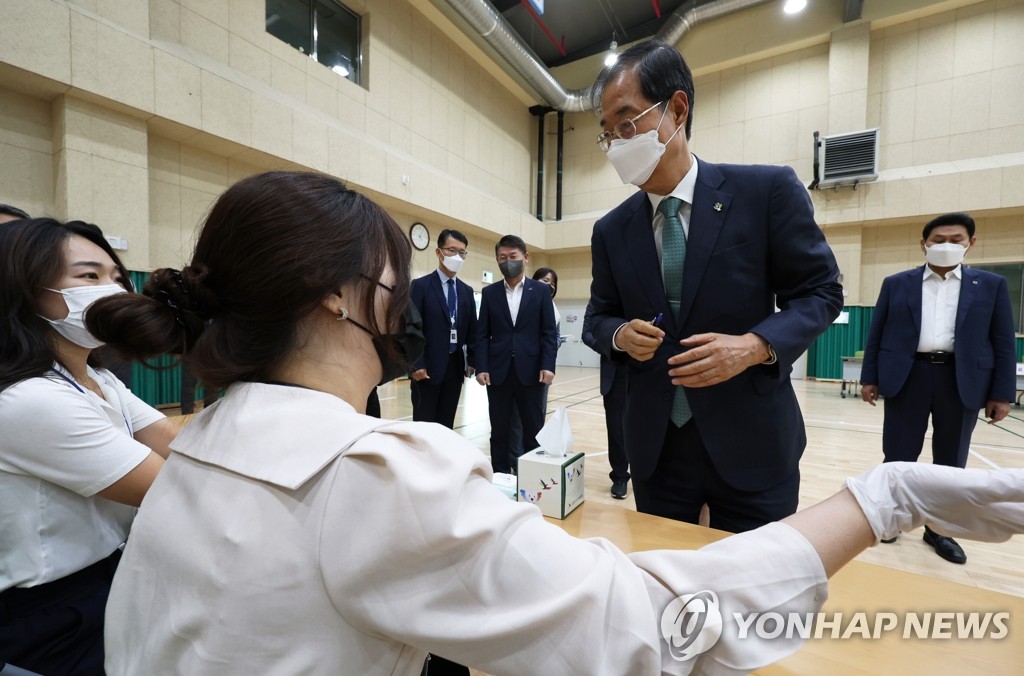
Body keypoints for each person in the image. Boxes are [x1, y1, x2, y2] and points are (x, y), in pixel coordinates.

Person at [87, 171, 1024, 675]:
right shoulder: (372, 473)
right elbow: (656, 630)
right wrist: (880, 496)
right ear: (340, 298)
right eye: (394, 270)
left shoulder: (197, 443)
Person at [587, 41, 843, 532]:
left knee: (756, 589)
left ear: (676, 110)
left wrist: (755, 345)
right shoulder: (610, 230)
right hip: (657, 449)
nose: (617, 143)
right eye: (607, 134)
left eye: (626, 123)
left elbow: (821, 292)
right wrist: (620, 335)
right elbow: (598, 317)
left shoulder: (765, 192)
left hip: (751, 440)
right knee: (668, 589)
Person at [0, 218, 176, 674]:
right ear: (23, 288)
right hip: (53, 612)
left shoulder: (96, 377)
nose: (113, 291)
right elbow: (174, 485)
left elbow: (175, 444)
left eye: (116, 277)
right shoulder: (30, 398)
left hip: (113, 573)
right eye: (89, 276)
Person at [860, 212, 1016, 564]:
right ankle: (893, 520)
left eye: (956, 240)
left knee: (951, 461)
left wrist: (1001, 393)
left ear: (970, 244)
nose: (946, 245)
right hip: (908, 376)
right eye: (938, 240)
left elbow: (1003, 342)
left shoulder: (991, 286)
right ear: (924, 244)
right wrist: (870, 377)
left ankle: (940, 529)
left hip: (962, 380)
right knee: (898, 455)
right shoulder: (896, 283)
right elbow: (877, 334)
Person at [475, 235, 558, 473]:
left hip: (531, 372)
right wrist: (481, 366)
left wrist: (548, 365)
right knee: (499, 430)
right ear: (497, 260)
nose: (508, 261)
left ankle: (533, 476)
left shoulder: (540, 291)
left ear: (525, 258)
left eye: (513, 256)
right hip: (498, 373)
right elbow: (482, 335)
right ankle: (500, 476)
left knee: (533, 430)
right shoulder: (490, 293)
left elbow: (549, 333)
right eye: (503, 257)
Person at [408, 229, 477, 429]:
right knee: (424, 428)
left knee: (445, 426)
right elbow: (410, 327)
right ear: (439, 252)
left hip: (454, 371)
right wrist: (415, 365)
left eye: (462, 252)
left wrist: (472, 361)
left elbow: (473, 329)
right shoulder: (420, 286)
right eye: (452, 250)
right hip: (426, 370)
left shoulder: (466, 291)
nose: (457, 256)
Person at [508, 267, 561, 457]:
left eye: (552, 283)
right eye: (545, 280)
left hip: (541, 372)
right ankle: (515, 458)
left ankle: (533, 457)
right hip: (519, 368)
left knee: (536, 417)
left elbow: (553, 338)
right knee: (515, 419)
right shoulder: (524, 303)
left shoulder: (554, 311)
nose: (549, 286)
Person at [582, 301, 631, 499]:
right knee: (617, 431)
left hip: (649, 371)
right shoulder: (600, 299)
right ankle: (620, 477)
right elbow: (587, 333)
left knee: (650, 429)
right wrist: (613, 347)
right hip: (615, 372)